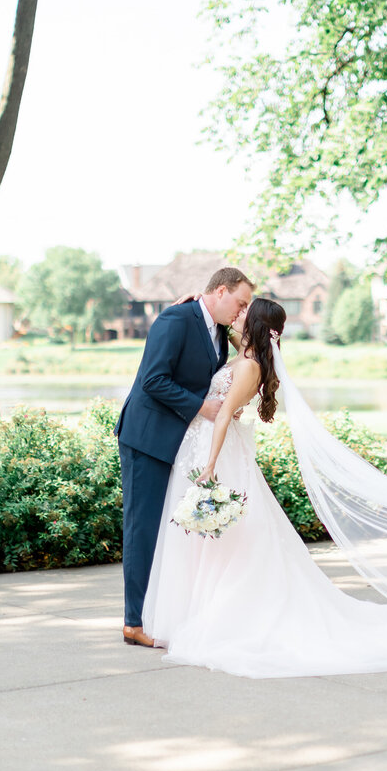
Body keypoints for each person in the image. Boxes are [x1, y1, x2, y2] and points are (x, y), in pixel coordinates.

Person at [142, 297, 387, 677]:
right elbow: (209, 320)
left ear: (255, 323)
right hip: (206, 445)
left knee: (226, 541)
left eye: (245, 311)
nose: (238, 313)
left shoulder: (248, 366)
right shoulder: (245, 357)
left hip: (217, 452)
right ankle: (195, 611)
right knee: (212, 540)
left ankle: (222, 615)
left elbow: (224, 414)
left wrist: (210, 466)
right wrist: (192, 301)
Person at [115, 267, 253, 648]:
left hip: (179, 441)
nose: (242, 311)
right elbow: (153, 380)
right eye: (239, 302)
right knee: (142, 528)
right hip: (147, 438)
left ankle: (161, 612)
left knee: (167, 529)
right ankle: (133, 622)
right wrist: (202, 408)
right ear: (220, 291)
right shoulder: (175, 318)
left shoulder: (219, 330)